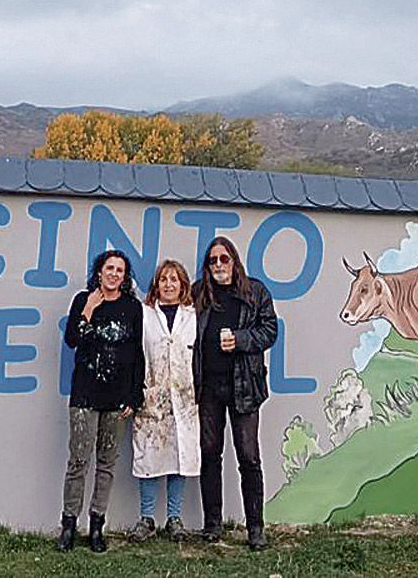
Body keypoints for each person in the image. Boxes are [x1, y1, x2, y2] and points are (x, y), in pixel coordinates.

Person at [57, 250, 145, 553]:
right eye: (110, 268)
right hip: (84, 394)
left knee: (107, 464)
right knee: (78, 461)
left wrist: (135, 395)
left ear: (125, 276)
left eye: (120, 270)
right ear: (99, 272)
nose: (114, 274)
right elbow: (72, 339)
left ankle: (97, 526)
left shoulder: (133, 307)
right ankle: (69, 524)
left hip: (117, 398)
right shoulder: (84, 300)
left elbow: (137, 354)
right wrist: (89, 311)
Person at [192, 236, 277, 551]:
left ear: (234, 261)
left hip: (244, 387)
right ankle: (212, 525)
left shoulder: (255, 292)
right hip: (209, 388)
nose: (218, 265)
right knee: (210, 455)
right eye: (212, 261)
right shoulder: (200, 293)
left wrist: (240, 339)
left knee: (248, 457)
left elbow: (270, 331)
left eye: (223, 259)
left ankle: (255, 528)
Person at [128, 259, 199, 543]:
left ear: (183, 286)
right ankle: (146, 518)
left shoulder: (193, 316)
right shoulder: (144, 315)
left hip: (185, 398)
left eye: (175, 280)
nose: (169, 285)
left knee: (179, 457)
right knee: (149, 457)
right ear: (156, 285)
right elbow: (135, 354)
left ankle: (174, 518)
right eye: (163, 280)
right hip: (152, 397)